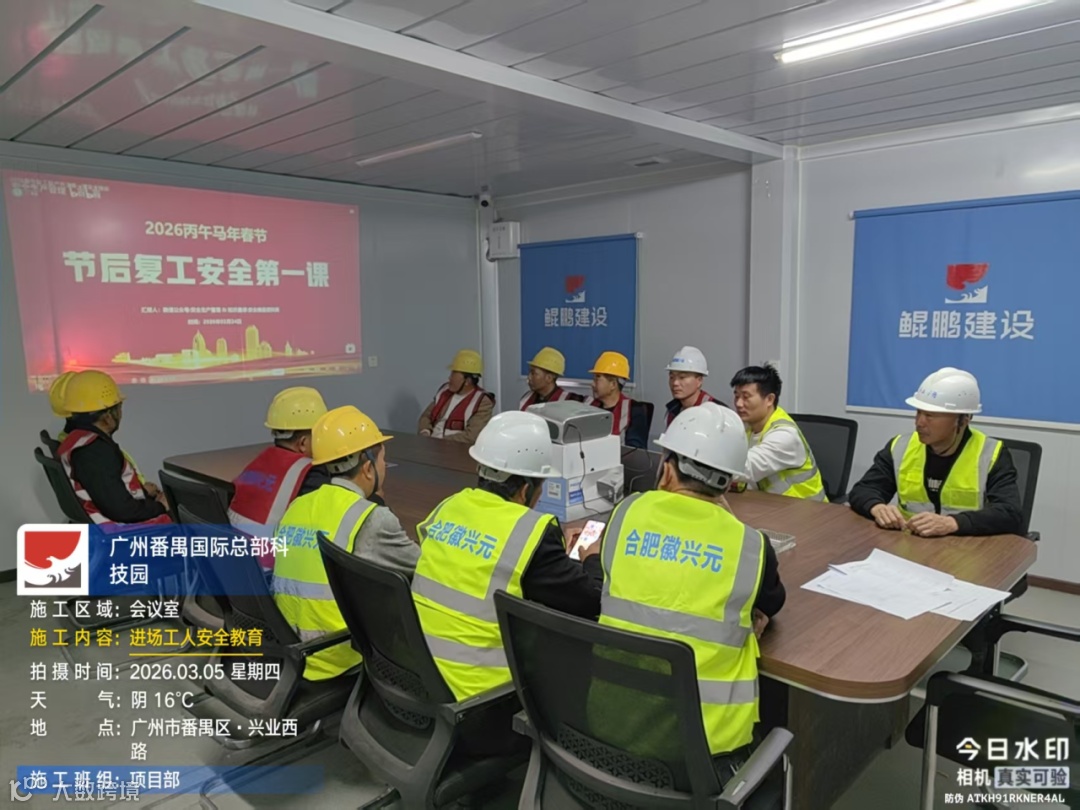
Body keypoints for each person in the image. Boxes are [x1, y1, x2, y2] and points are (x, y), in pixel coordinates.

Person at [593, 402, 785, 772]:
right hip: (705, 756)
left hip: (607, 731)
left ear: (666, 469)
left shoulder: (625, 513)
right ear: (728, 482)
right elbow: (773, 602)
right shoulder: (750, 546)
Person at [411, 410, 603, 702]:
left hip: (420, 676)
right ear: (525, 490)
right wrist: (590, 557)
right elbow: (591, 600)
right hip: (480, 698)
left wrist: (550, 557)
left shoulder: (448, 507)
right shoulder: (531, 534)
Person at [273, 406, 418, 681]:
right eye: (383, 460)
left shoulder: (298, 505)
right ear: (368, 468)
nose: (384, 467)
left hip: (290, 647)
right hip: (337, 655)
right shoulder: (371, 519)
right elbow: (423, 568)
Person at [848, 367, 1023, 537]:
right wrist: (877, 507)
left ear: (963, 419)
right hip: (910, 544)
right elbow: (863, 489)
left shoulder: (990, 454)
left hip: (965, 549)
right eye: (918, 412)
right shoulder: (900, 447)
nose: (919, 422)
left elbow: (1010, 512)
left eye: (931, 415)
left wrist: (953, 523)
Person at [56, 370, 170, 527]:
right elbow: (122, 511)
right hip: (121, 529)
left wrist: (143, 493)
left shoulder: (75, 440)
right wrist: (161, 506)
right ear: (108, 416)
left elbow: (107, 494)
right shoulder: (94, 452)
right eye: (119, 407)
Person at [228, 387, 331, 545]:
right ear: (303, 443)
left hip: (236, 549)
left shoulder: (261, 461)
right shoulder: (309, 474)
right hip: (269, 557)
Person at [730, 364, 827, 502]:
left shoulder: (785, 436)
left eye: (746, 397)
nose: (739, 404)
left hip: (809, 509)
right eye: (737, 396)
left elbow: (744, 469)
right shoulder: (748, 428)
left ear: (769, 399)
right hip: (770, 505)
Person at [51, 370, 158, 495]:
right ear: (107, 415)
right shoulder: (93, 451)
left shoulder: (69, 443)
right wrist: (147, 495)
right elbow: (117, 500)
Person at [418, 349, 495, 444]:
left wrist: (439, 442)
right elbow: (426, 416)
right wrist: (425, 432)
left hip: (454, 449)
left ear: (467, 381)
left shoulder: (482, 402)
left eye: (454, 375)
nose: (449, 378)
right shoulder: (444, 391)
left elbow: (471, 436)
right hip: (431, 444)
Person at [665, 346, 723, 426]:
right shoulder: (672, 410)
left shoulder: (716, 412)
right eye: (672, 377)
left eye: (682, 377)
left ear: (699, 381)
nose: (675, 383)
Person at [586, 351, 633, 438]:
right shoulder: (588, 405)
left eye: (597, 379)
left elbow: (634, 446)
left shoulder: (632, 411)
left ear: (613, 385)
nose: (592, 384)